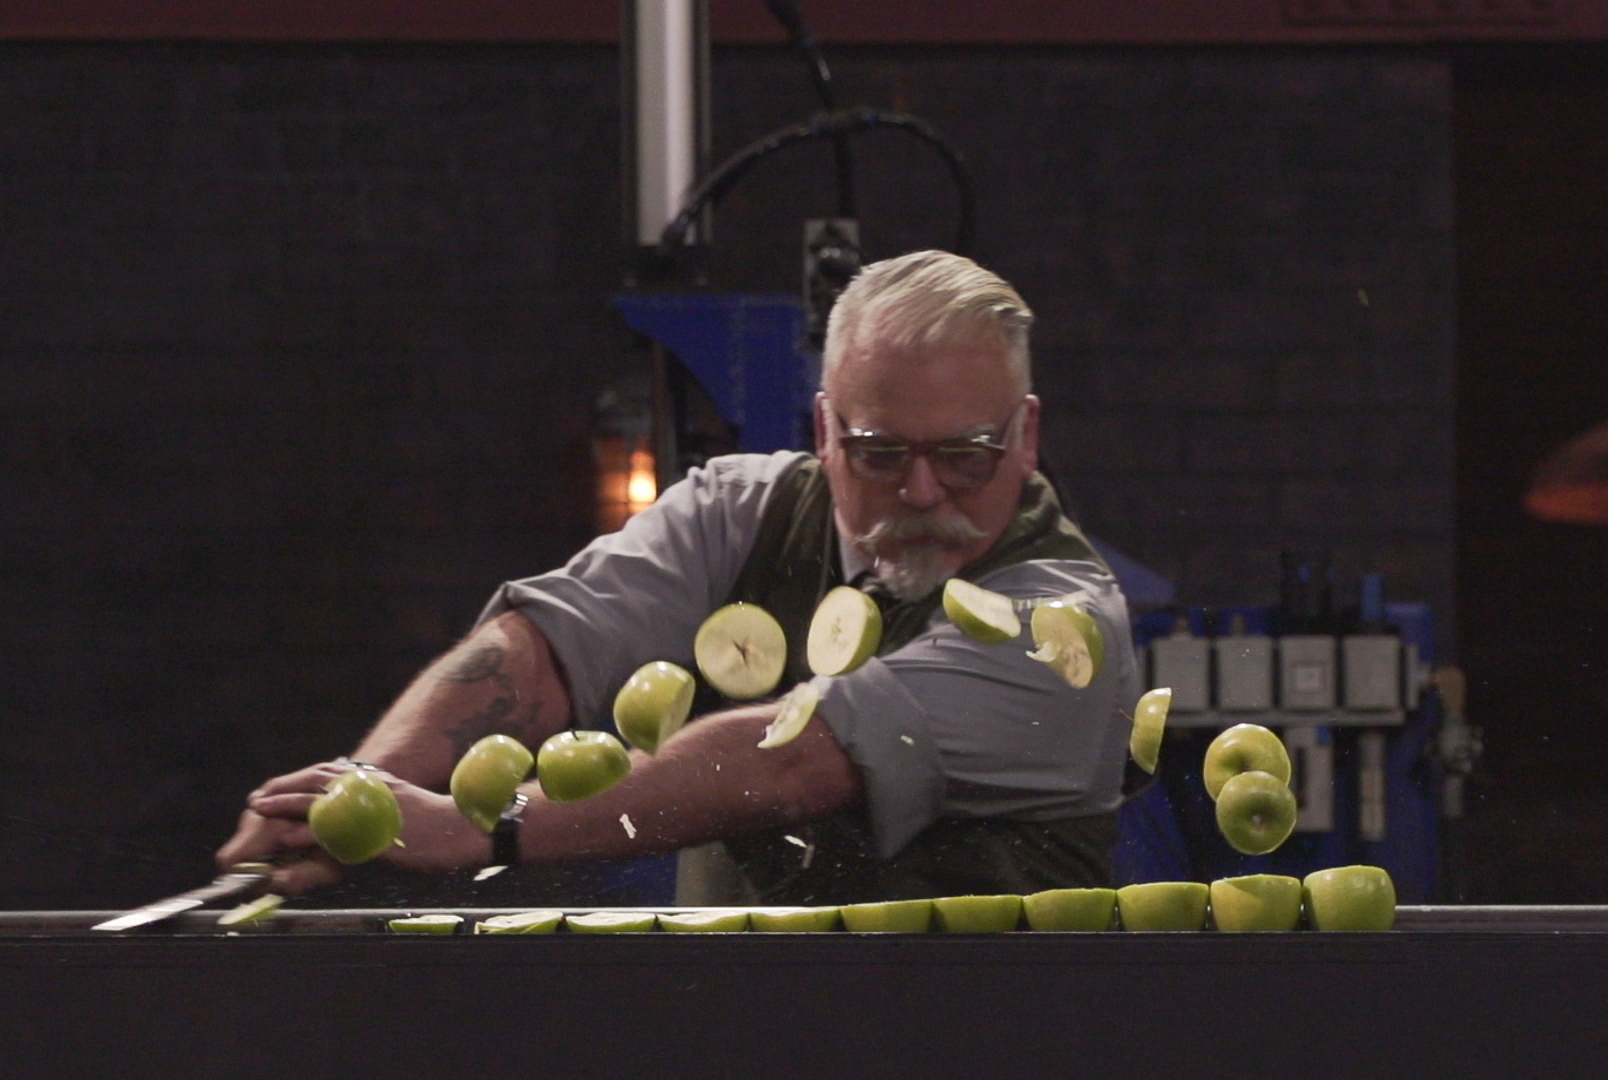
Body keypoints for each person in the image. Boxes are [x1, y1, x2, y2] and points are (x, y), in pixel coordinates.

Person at [218, 250, 1140, 903]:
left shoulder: (1065, 632)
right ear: (823, 431)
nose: (923, 488)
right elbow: (544, 651)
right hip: (732, 1036)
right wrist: (355, 804)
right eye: (879, 450)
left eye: (968, 455)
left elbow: (795, 761)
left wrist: (482, 825)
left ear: (1026, 437)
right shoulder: (741, 512)